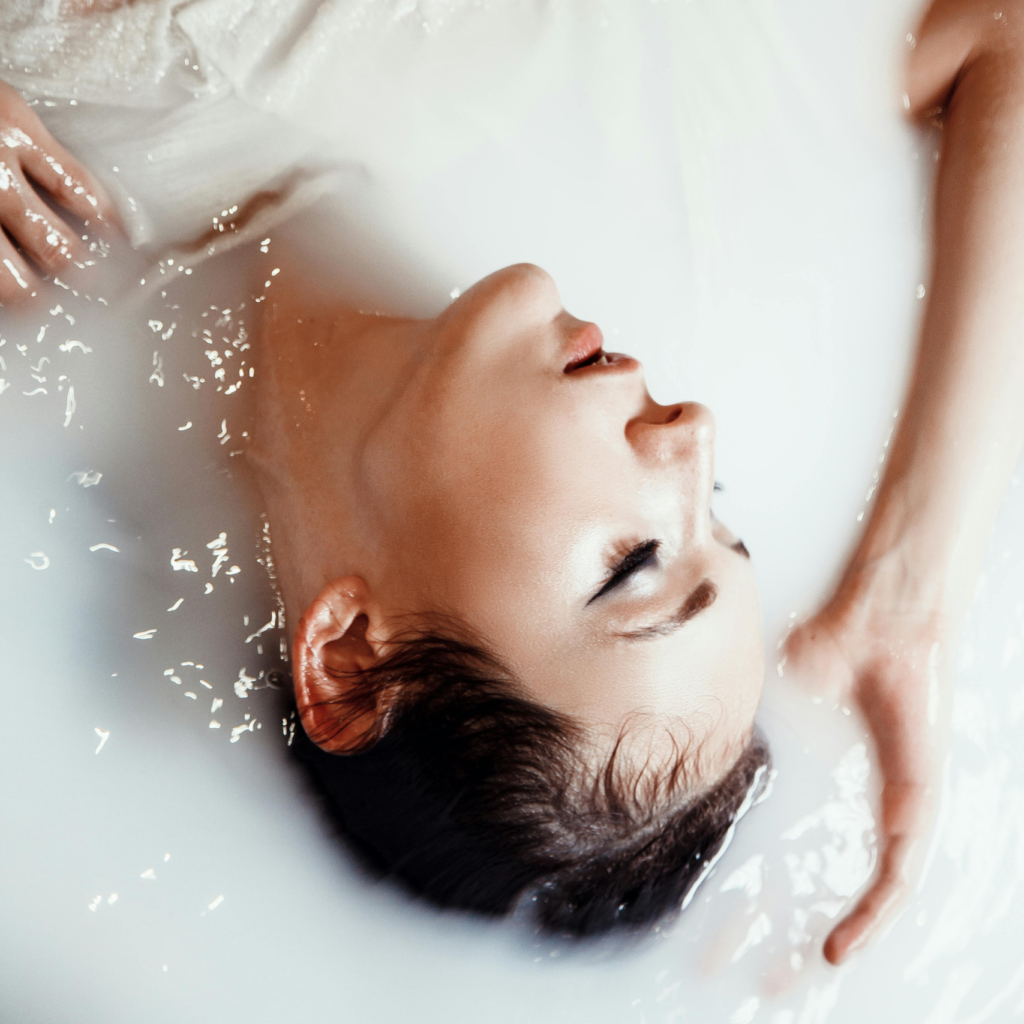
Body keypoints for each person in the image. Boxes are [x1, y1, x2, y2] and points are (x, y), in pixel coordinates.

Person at [2, 0, 1023, 957]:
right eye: (715, 513)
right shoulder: (575, 125)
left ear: (353, 656)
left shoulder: (46, 266)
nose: (692, 432)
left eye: (633, 564)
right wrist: (910, 584)